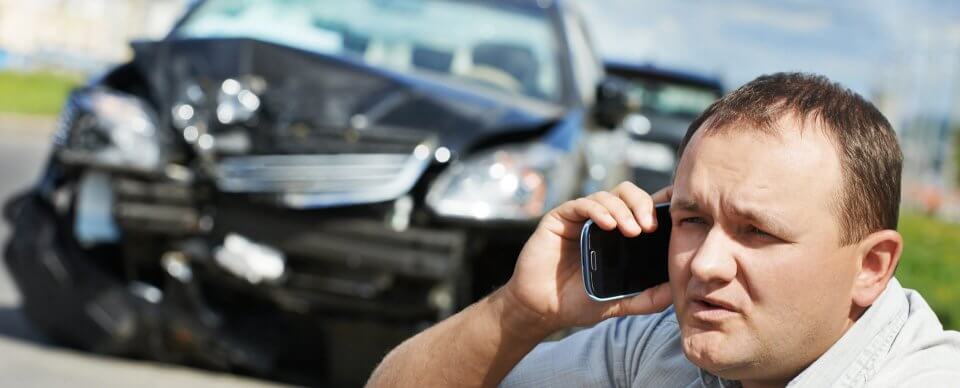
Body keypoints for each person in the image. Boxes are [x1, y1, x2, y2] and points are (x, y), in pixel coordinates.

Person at [366, 73, 960, 387]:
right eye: (693, 220)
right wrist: (520, 313)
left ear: (871, 267)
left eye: (756, 232)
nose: (704, 265)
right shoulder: (660, 341)